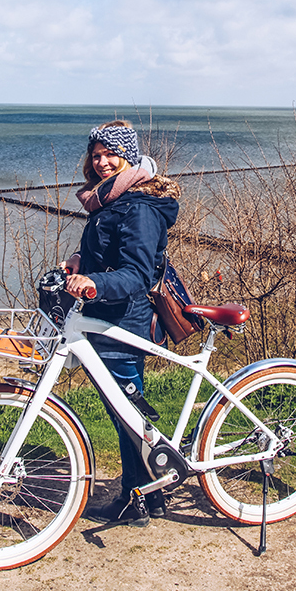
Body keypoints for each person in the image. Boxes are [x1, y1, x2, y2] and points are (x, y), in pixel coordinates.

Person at [61, 120, 181, 526]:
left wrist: (94, 282)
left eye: (110, 153)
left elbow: (137, 274)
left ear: (128, 156)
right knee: (125, 413)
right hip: (103, 316)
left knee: (128, 414)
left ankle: (140, 497)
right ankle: (149, 495)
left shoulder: (141, 206)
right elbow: (106, 250)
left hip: (124, 322)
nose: (101, 162)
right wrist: (81, 264)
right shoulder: (111, 200)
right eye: (95, 155)